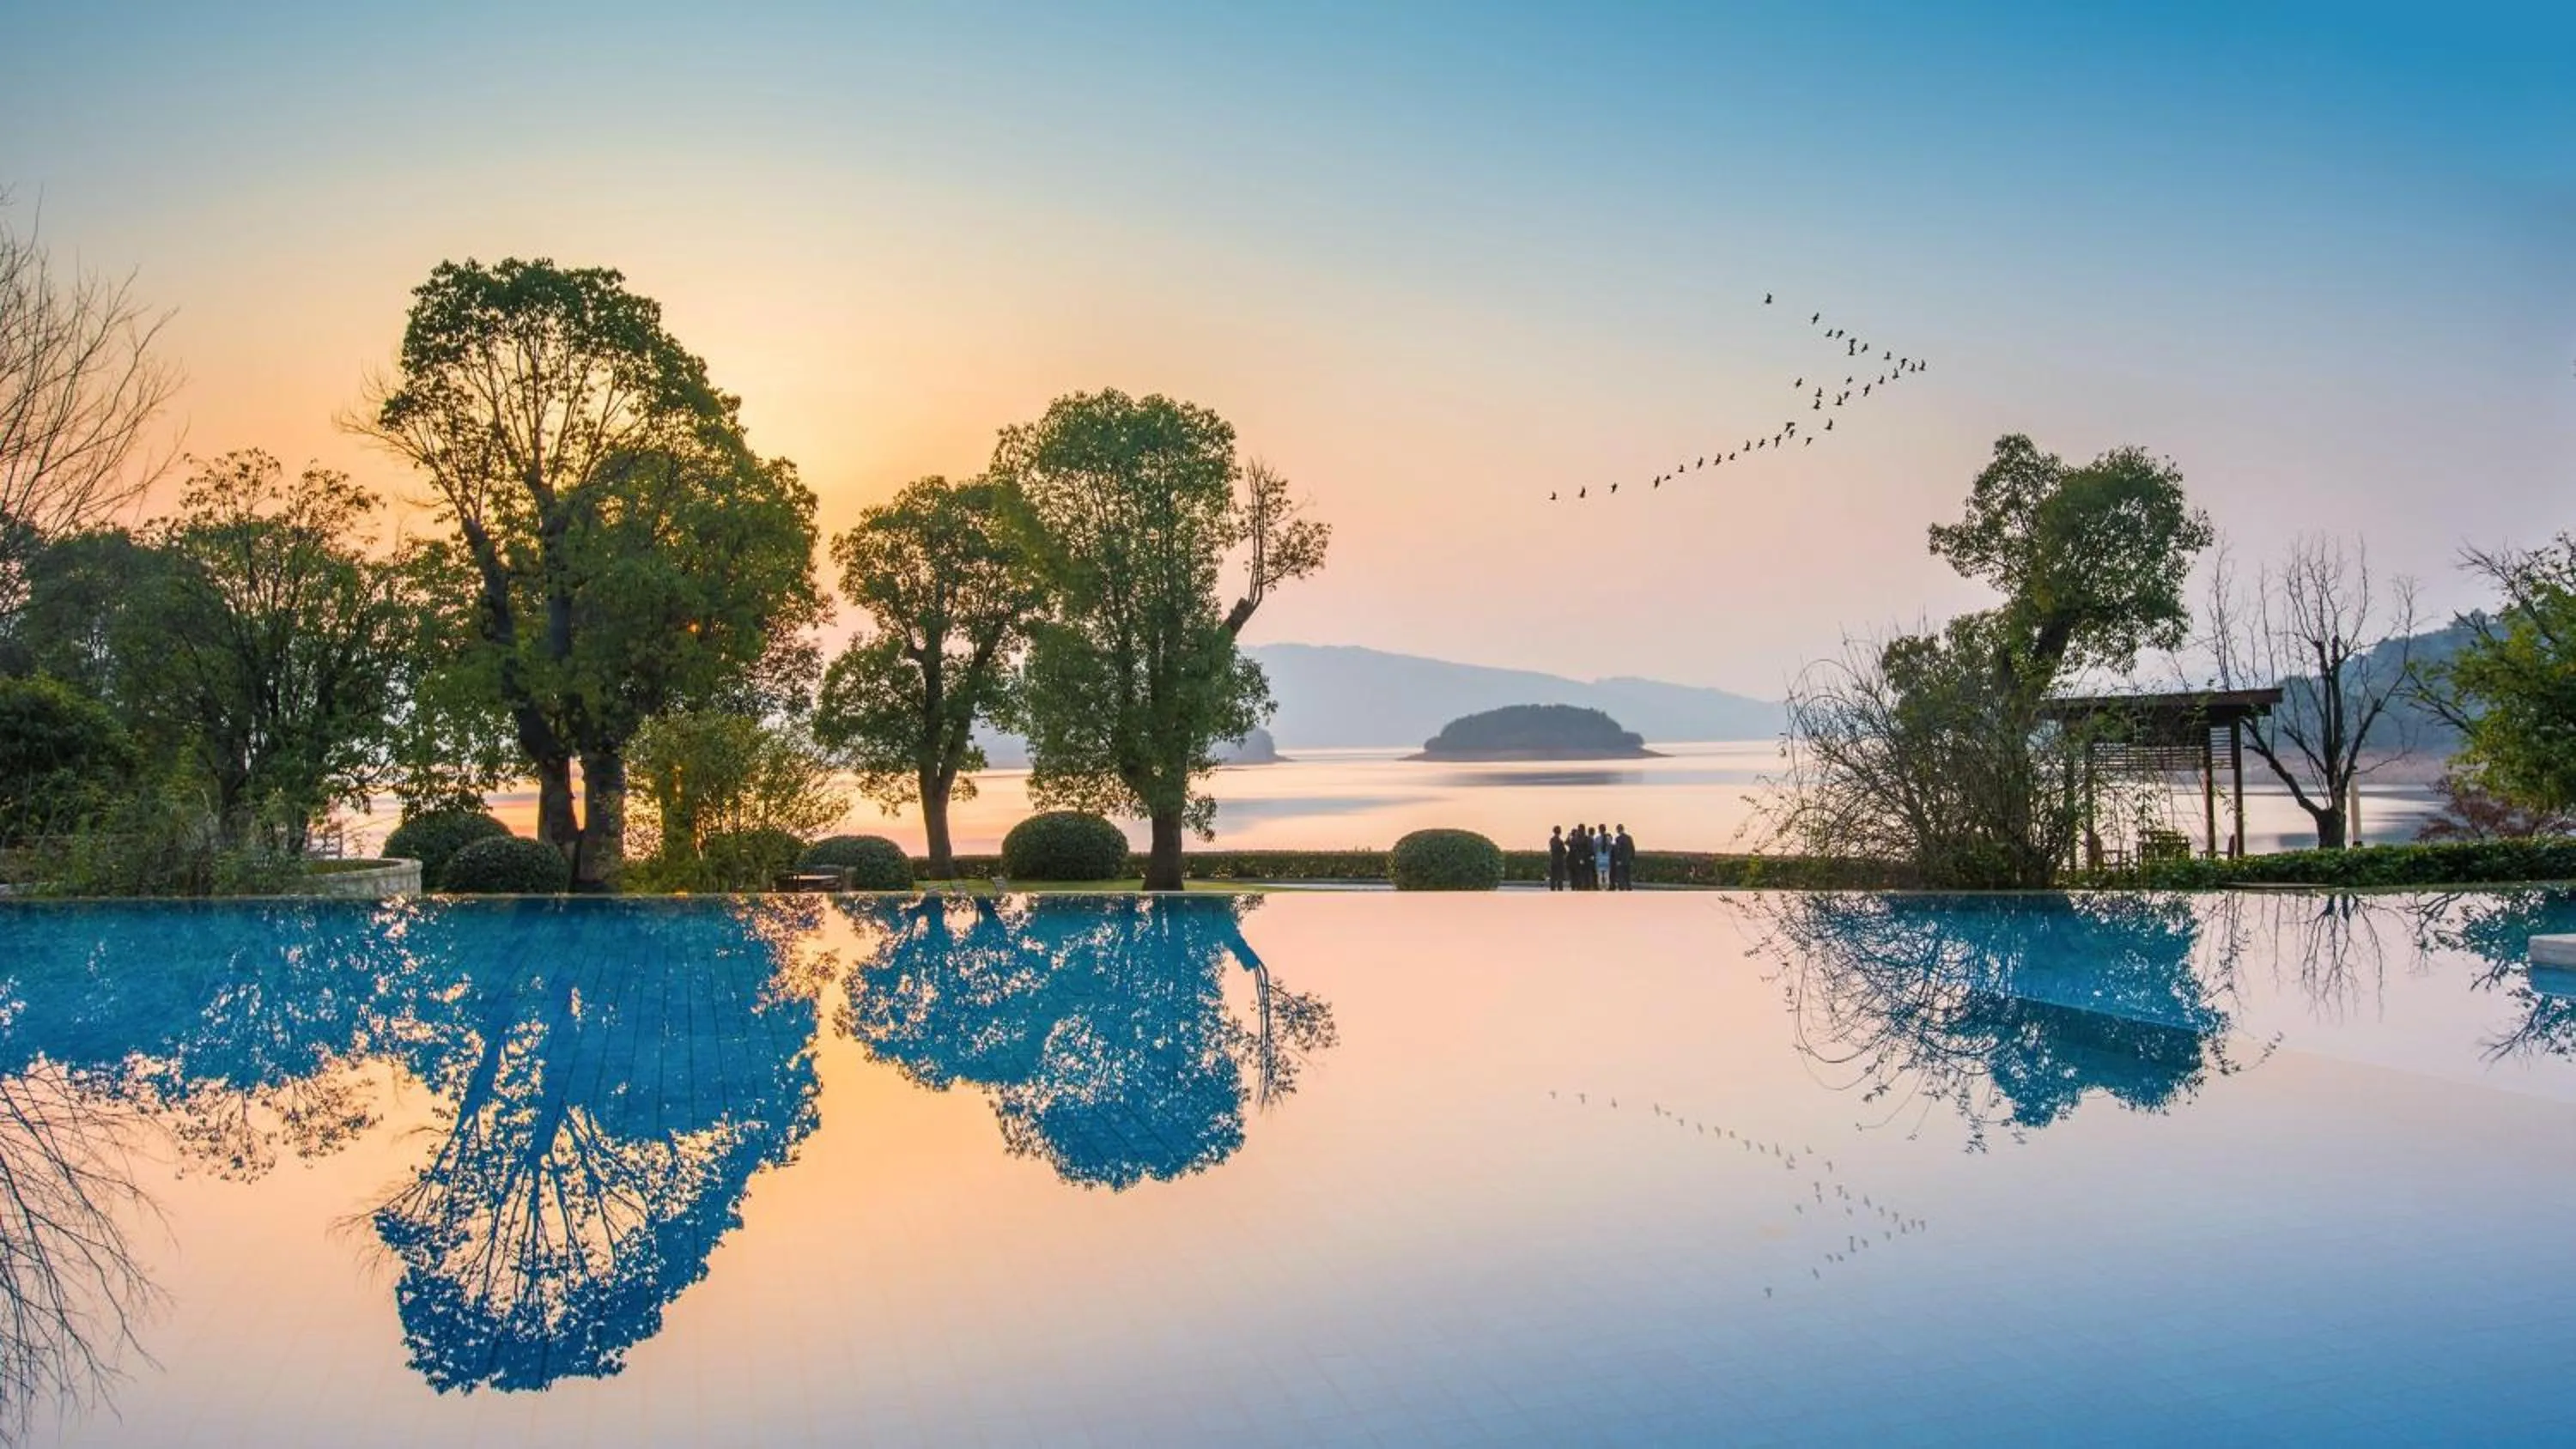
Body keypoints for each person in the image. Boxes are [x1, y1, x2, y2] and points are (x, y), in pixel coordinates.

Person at [1570, 822, 1594, 890]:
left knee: (1578, 875)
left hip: (1576, 860)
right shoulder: (1587, 838)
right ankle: (1586, 887)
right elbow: (1590, 849)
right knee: (1586, 875)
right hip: (1586, 859)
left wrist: (1579, 858)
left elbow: (1573, 850)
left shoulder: (1574, 839)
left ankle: (1579, 887)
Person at [1613, 824, 1635, 891]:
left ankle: (1621, 888)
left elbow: (1618, 850)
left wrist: (1618, 860)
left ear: (1618, 830)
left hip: (1621, 861)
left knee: (1621, 876)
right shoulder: (1629, 838)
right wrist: (1632, 858)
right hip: (1628, 860)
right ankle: (1629, 887)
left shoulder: (1618, 839)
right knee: (1628, 875)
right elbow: (1632, 848)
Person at [1546, 826, 1569, 891]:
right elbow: (1564, 851)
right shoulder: (1560, 841)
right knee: (1560, 877)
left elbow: (1552, 848)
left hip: (1553, 860)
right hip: (1559, 861)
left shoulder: (1551, 840)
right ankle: (1559, 890)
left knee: (1553, 877)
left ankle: (1552, 889)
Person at [1593, 823, 1613, 894]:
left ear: (1599, 830)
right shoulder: (1608, 839)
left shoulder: (1597, 839)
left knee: (1600, 874)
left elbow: (1594, 849)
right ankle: (1607, 886)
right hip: (1607, 858)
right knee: (1607, 874)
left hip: (1599, 857)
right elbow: (1610, 848)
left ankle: (1600, 887)